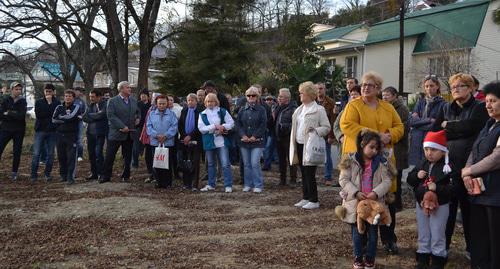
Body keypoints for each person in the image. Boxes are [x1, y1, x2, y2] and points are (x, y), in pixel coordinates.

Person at [340, 71, 404, 254]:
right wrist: (375, 136)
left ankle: (389, 239)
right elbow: (347, 125)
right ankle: (363, 240)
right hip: (360, 161)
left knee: (386, 199)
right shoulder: (354, 105)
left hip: (383, 161)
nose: (365, 88)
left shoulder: (388, 107)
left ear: (378, 88)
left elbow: (400, 127)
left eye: (370, 85)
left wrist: (390, 135)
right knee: (361, 198)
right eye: (363, 85)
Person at [432, 73, 489, 256]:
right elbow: (436, 132)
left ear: (471, 88)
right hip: (448, 167)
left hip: (469, 167)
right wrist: (456, 128)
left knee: (470, 211)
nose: (456, 89)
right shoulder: (446, 107)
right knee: (446, 210)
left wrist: (448, 126)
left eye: (461, 86)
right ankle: (443, 247)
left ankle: (473, 249)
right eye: (453, 86)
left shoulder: (480, 107)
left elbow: (473, 127)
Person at [338, 130, 393, 269]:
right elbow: (343, 179)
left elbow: (387, 181)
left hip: (374, 205)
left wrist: (376, 192)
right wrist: (355, 192)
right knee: (357, 232)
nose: (374, 151)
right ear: (362, 144)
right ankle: (358, 257)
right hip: (355, 204)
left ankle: (370, 258)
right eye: (371, 147)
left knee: (373, 233)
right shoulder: (350, 160)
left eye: (377, 148)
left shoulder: (381, 163)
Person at [461, 81, 500, 269]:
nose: (488, 105)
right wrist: (467, 173)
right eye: (486, 101)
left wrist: (469, 170)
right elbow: (474, 151)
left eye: (493, 101)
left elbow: (497, 158)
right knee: (480, 238)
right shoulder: (489, 124)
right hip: (478, 193)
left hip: (495, 194)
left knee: (495, 240)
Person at [407, 130, 454, 269]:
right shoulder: (423, 163)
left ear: (442, 151)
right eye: (426, 149)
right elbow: (410, 179)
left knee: (438, 230)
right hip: (421, 203)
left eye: (433, 150)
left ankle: (438, 257)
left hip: (440, 205)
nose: (429, 153)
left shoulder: (448, 166)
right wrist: (417, 176)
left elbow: (453, 188)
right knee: (423, 230)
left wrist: (437, 189)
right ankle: (423, 255)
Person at [290, 81, 331, 210]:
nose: (300, 95)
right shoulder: (299, 109)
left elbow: (326, 127)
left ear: (309, 94)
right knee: (303, 172)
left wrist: (315, 130)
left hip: (310, 145)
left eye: (302, 93)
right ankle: (306, 197)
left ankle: (314, 199)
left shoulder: (319, 109)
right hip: (299, 143)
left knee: (309, 173)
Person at [99, 81, 141, 183]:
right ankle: (105, 176)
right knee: (110, 155)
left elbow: (138, 112)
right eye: (127, 88)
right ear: (121, 89)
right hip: (116, 133)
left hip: (129, 133)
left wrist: (138, 118)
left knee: (127, 156)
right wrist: (122, 126)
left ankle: (126, 175)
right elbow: (111, 116)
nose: (130, 89)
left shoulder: (133, 100)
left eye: (130, 87)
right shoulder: (112, 101)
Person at [198, 93, 235, 193]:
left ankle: (228, 185)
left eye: (212, 101)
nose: (210, 103)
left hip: (221, 142)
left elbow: (231, 123)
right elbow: (201, 129)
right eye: (208, 101)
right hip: (209, 142)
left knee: (225, 163)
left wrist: (222, 127)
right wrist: (214, 126)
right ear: (205, 103)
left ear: (216, 102)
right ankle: (211, 184)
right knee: (210, 164)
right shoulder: (202, 114)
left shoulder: (222, 111)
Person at [382, 86, 410, 212]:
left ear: (394, 96)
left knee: (396, 176)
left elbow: (403, 128)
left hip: (398, 147)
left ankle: (397, 204)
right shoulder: (384, 107)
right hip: (388, 146)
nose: (384, 97)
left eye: (387, 95)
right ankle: (390, 201)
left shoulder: (401, 109)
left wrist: (390, 135)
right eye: (383, 95)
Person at [409, 75, 446, 166]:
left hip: (431, 138)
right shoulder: (420, 102)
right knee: (417, 169)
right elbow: (412, 122)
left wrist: (419, 122)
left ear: (437, 86)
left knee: (430, 166)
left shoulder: (443, 104)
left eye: (431, 85)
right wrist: (429, 120)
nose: (429, 88)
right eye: (426, 86)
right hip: (417, 139)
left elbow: (436, 125)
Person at [236, 86, 267, 193]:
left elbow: (263, 125)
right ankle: (248, 184)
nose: (251, 97)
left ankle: (258, 184)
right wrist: (243, 135)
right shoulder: (241, 109)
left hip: (257, 141)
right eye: (248, 95)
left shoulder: (262, 109)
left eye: (253, 95)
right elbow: (238, 124)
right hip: (244, 141)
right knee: (246, 164)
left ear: (257, 97)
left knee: (254, 163)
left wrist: (255, 136)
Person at [146, 95, 178, 188]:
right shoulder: (151, 114)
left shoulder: (172, 114)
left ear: (167, 103)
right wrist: (156, 135)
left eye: (164, 103)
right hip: (155, 142)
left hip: (168, 142)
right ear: (156, 104)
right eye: (160, 103)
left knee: (167, 163)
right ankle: (158, 182)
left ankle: (167, 183)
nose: (162, 105)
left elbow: (174, 127)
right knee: (157, 162)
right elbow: (149, 127)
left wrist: (166, 135)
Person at [31, 83, 61, 182]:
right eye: (46, 91)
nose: (48, 93)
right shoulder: (39, 102)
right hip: (40, 130)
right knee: (36, 153)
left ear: (53, 92)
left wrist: (49, 106)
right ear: (44, 92)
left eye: (50, 91)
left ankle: (47, 174)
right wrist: (49, 105)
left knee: (51, 154)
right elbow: (39, 115)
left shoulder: (57, 102)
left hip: (52, 131)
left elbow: (55, 115)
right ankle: (33, 175)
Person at [52, 90, 83, 184]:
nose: (67, 98)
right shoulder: (59, 107)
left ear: (73, 98)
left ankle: (70, 177)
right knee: (61, 157)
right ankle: (63, 176)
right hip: (60, 135)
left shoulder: (76, 107)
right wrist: (64, 119)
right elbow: (53, 119)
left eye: (70, 96)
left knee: (71, 157)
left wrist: (61, 117)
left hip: (71, 135)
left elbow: (72, 117)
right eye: (66, 96)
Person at [0, 82, 27, 181]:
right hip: (5, 129)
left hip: (18, 130)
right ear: (11, 89)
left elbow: (21, 116)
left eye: (20, 89)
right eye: (16, 89)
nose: (18, 91)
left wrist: (9, 112)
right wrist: (13, 114)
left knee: (17, 152)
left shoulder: (23, 101)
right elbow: (1, 114)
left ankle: (14, 172)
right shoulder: (6, 100)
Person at [178, 93, 203, 190]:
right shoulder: (184, 110)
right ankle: (186, 183)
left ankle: (194, 184)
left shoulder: (200, 110)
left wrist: (190, 136)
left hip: (196, 139)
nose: (190, 102)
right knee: (185, 161)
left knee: (195, 162)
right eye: (188, 100)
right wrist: (184, 136)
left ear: (196, 101)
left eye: (192, 100)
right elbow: (180, 125)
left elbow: (199, 126)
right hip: (184, 140)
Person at [316, 82, 338, 185]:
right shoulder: (312, 101)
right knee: (312, 154)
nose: (319, 91)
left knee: (327, 155)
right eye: (317, 89)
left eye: (321, 89)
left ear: (325, 90)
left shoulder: (330, 102)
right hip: (314, 133)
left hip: (325, 133)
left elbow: (333, 120)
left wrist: (331, 135)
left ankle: (328, 177)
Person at [274, 88, 298, 186]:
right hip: (279, 137)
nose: (279, 98)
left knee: (291, 159)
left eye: (281, 96)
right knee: (281, 160)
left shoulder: (293, 109)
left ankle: (293, 180)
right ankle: (282, 179)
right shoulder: (277, 107)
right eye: (279, 96)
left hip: (288, 138)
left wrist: (285, 127)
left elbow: (296, 124)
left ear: (287, 98)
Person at [82, 89, 107, 180]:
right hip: (90, 133)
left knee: (98, 153)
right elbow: (84, 117)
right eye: (90, 97)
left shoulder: (105, 104)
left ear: (99, 96)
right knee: (91, 154)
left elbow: (102, 115)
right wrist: (94, 116)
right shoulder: (90, 105)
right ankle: (94, 173)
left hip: (100, 133)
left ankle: (101, 173)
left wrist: (91, 116)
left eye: (93, 97)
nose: (91, 98)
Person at [334, 85, 361, 156]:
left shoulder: (366, 111)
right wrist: (340, 136)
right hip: (345, 145)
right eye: (351, 94)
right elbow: (336, 126)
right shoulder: (344, 111)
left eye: (356, 94)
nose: (353, 96)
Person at [132, 89, 151, 169]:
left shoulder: (151, 105)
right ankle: (134, 163)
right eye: (141, 95)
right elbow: (134, 114)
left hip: (148, 128)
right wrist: (135, 119)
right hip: (138, 127)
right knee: (136, 146)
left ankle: (149, 164)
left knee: (148, 146)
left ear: (148, 96)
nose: (143, 96)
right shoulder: (137, 104)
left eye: (144, 95)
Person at [73, 87, 86, 161]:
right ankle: (72, 153)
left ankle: (80, 155)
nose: (78, 93)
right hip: (71, 122)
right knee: (72, 138)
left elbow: (84, 111)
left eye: (79, 92)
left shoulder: (82, 101)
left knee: (79, 138)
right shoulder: (70, 99)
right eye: (76, 91)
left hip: (79, 122)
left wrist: (82, 116)